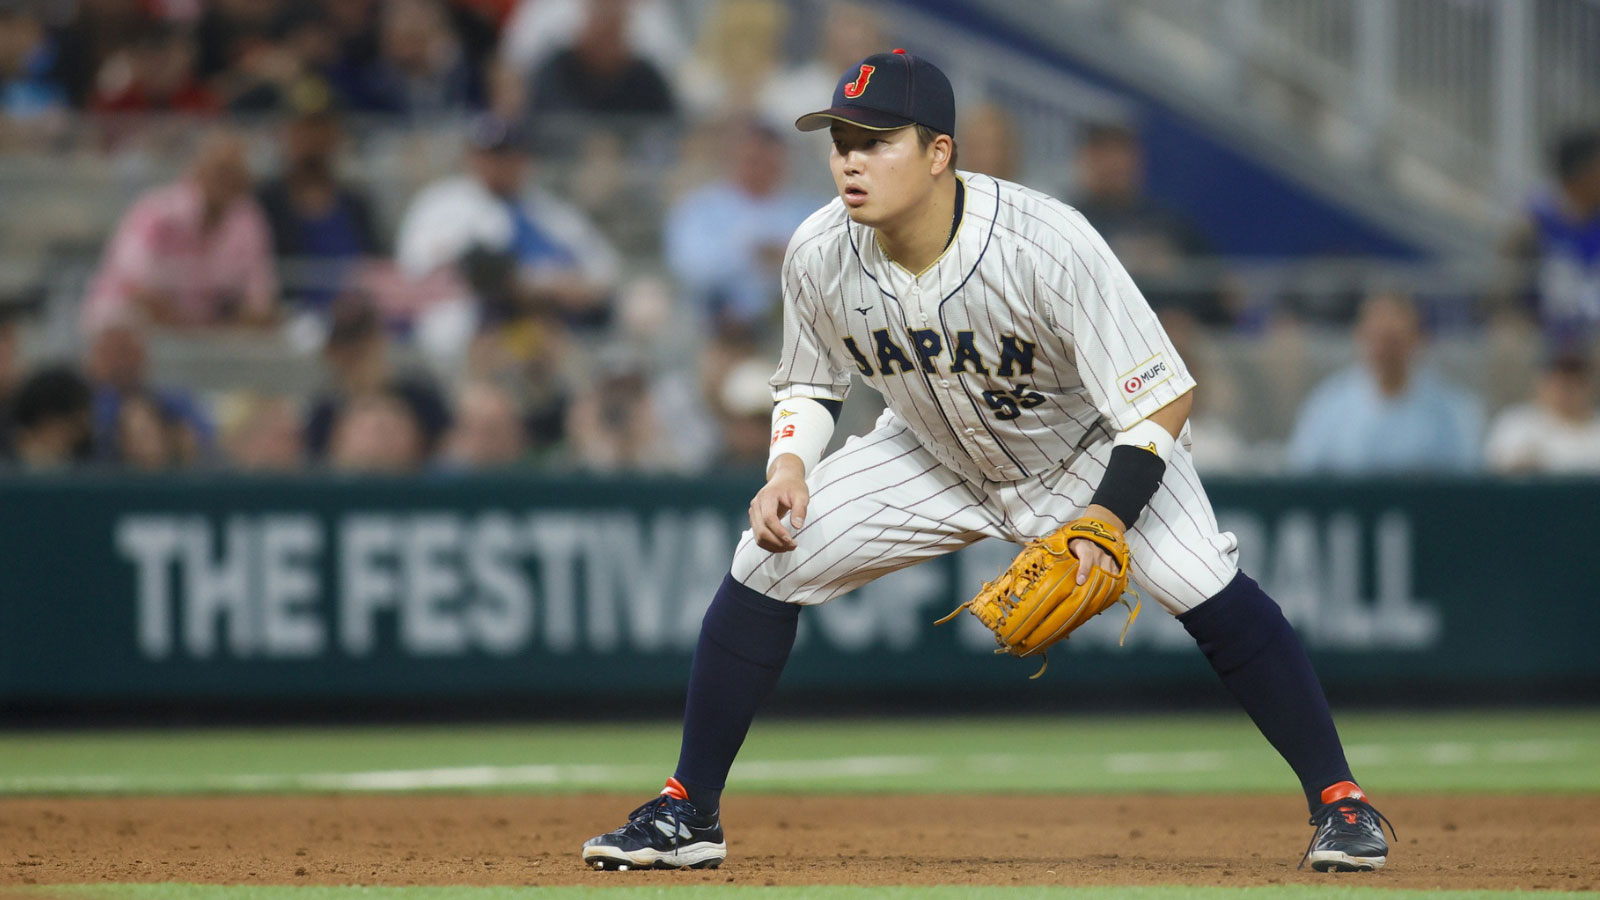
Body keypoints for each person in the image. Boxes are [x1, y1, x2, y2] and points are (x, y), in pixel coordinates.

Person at [580, 49, 1392, 875]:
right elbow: (809, 383)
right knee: (763, 561)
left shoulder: (1046, 241)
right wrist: (788, 467)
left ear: (940, 153)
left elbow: (1158, 397)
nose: (850, 160)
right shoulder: (820, 249)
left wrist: (1104, 518)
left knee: (1199, 583)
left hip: (1086, 453)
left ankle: (1342, 803)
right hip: (930, 453)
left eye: (876, 140)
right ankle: (690, 812)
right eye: (839, 141)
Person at [81, 128, 279, 334]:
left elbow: (259, 294)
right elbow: (134, 282)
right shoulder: (156, 211)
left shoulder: (249, 220)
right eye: (222, 170)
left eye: (237, 172)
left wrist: (248, 318)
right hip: (133, 328)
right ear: (197, 168)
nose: (229, 180)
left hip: (207, 334)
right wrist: (186, 326)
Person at [1286, 292, 1483, 474]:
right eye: (1377, 339)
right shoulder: (1327, 405)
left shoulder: (1455, 410)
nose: (1385, 352)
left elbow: (1467, 479)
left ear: (1417, 340)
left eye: (1393, 341)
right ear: (1360, 337)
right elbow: (1302, 471)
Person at [662, 119, 817, 339]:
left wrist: (789, 257)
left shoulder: (808, 212)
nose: (761, 169)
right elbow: (689, 267)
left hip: (790, 327)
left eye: (769, 161)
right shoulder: (699, 209)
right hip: (714, 324)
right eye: (753, 161)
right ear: (733, 159)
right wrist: (750, 253)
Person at [1070, 123, 1230, 326]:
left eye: (1120, 152)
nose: (1113, 163)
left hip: (1175, 331)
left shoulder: (1167, 220)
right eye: (1102, 152)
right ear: (1084, 160)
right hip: (1102, 332)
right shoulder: (1069, 221)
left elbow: (1216, 287)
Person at [1499, 129, 1600, 338]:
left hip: (1593, 328)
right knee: (1509, 341)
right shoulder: (1533, 221)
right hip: (1540, 327)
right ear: (1582, 173)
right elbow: (1504, 292)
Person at [525, 0, 675, 118]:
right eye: (600, 34)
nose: (605, 45)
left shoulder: (646, 79)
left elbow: (667, 128)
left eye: (611, 35)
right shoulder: (555, 72)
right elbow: (537, 126)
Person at [1485, 346, 1600, 474]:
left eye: (1578, 383)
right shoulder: (1515, 424)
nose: (1569, 390)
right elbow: (1499, 472)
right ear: (1542, 384)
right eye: (1561, 383)